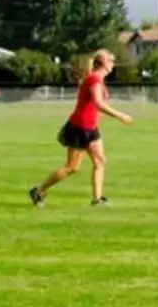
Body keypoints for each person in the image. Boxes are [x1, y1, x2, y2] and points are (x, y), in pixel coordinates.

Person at [29, 49, 133, 207]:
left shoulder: (96, 78)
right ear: (103, 63)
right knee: (72, 167)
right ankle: (39, 190)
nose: (113, 64)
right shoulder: (95, 79)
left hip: (91, 127)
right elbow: (98, 103)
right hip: (80, 127)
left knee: (100, 161)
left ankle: (97, 200)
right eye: (110, 61)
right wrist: (120, 115)